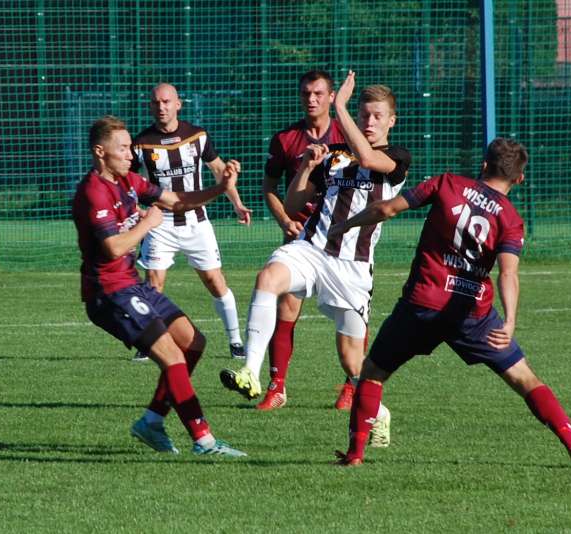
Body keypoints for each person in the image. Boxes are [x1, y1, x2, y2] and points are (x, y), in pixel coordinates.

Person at [328, 137, 571, 469]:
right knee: (525, 380)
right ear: (519, 179)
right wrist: (508, 322)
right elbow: (508, 273)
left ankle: (355, 455)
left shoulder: (446, 183)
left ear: (483, 166)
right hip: (473, 314)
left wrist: (344, 224)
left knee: (373, 374)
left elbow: (387, 208)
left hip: (422, 304)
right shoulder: (510, 219)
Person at [220, 71, 410, 447]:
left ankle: (380, 412)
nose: (369, 122)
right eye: (364, 115)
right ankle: (252, 372)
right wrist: (308, 166)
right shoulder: (336, 158)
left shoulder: (396, 158)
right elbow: (292, 204)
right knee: (268, 278)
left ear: (392, 120)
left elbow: (370, 159)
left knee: (352, 362)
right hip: (312, 250)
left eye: (376, 116)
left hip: (352, 269)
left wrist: (339, 107)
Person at [72, 115, 246, 457]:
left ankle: (152, 421)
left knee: (193, 343)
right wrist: (149, 223)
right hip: (108, 293)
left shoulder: (130, 181)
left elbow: (177, 202)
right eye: (122, 148)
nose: (129, 154)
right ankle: (204, 441)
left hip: (131, 285)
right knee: (172, 358)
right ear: (99, 152)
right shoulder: (93, 192)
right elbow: (114, 248)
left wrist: (221, 189)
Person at [132, 83, 252, 362]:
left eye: (165, 101)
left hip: (196, 222)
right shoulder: (141, 143)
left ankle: (235, 341)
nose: (160, 107)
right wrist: (136, 211)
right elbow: (128, 183)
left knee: (214, 280)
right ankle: (148, 342)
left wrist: (237, 203)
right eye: (155, 102)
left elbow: (220, 170)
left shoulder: (197, 136)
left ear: (178, 104)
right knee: (153, 283)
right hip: (160, 223)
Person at [257, 69, 351, 411]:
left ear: (330, 97)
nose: (311, 99)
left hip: (342, 243)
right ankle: (277, 386)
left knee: (349, 317)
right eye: (306, 94)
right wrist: (285, 219)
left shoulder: (348, 135)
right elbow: (268, 187)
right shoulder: (286, 139)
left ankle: (351, 385)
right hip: (302, 241)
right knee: (286, 305)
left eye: (318, 93)